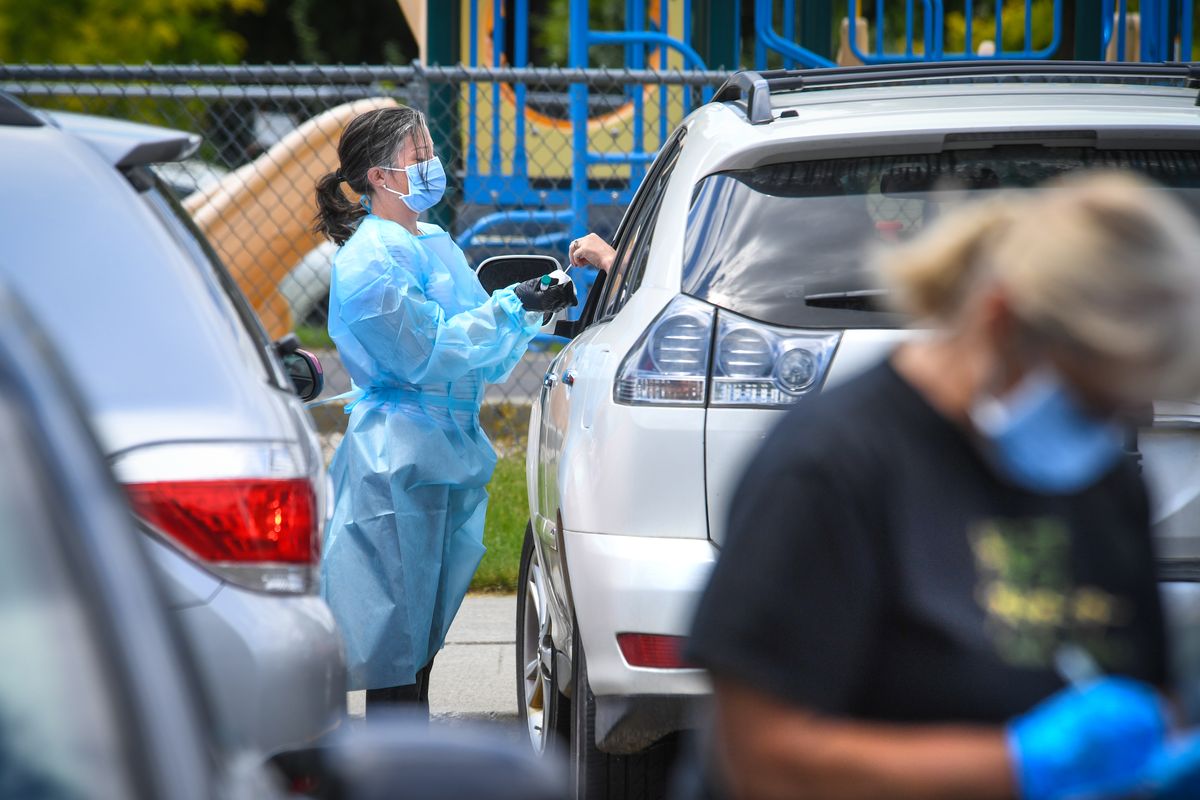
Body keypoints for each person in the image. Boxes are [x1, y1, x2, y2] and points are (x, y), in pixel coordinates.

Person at [684, 173, 1200, 799]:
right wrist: (1015, 767)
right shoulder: (832, 468)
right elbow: (762, 758)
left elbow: (1150, 691)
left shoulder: (1104, 484)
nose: (1103, 432)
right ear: (1001, 320)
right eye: (1087, 402)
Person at [312, 107, 575, 712]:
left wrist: (528, 310)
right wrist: (513, 309)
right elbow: (430, 351)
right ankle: (393, 767)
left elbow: (476, 354)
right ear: (380, 177)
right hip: (398, 461)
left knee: (424, 635)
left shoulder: (428, 243)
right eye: (418, 153)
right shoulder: (372, 260)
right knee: (396, 641)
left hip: (446, 452)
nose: (432, 163)